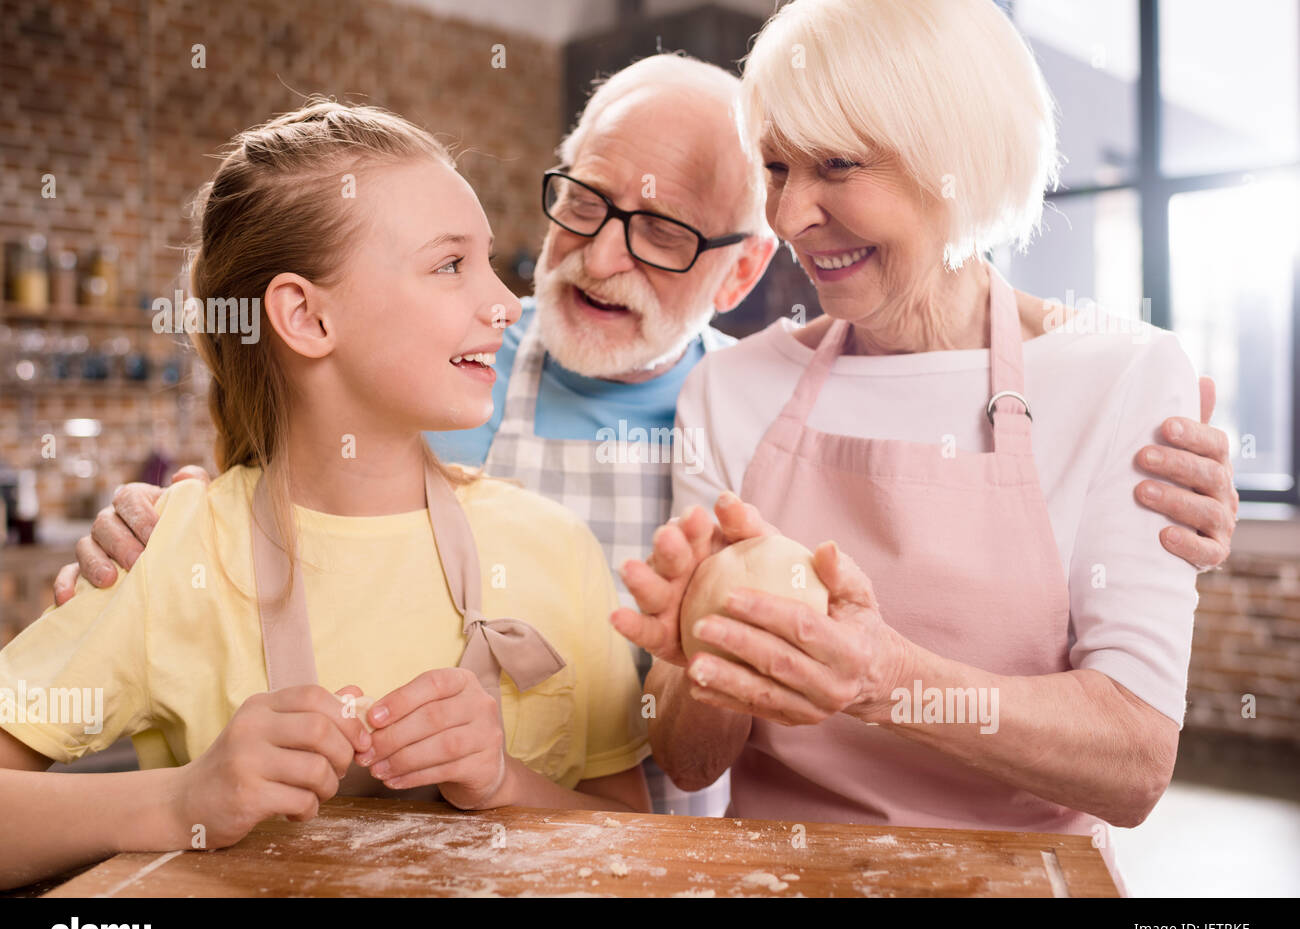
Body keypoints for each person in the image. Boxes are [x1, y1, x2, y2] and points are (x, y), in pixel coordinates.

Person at [56, 51, 1238, 820]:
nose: (600, 255)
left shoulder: (743, 401)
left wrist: (1163, 501)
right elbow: (307, 450)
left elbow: (673, 769)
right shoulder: (441, 370)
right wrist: (185, 516)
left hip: (639, 852)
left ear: (741, 271)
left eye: (664, 231)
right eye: (583, 200)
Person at [614, 0, 1222, 894]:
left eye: (836, 166)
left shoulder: (1123, 377)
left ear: (957, 158)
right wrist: (706, 668)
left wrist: (889, 681)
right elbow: (691, 762)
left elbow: (1132, 762)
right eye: (777, 167)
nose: (789, 211)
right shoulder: (733, 389)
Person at [0, 102, 650, 891]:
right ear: (305, 316)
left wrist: (504, 784)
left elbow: (637, 844)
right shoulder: (169, 552)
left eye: (488, 261)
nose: (505, 303)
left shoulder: (553, 545)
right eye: (450, 265)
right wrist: (183, 798)